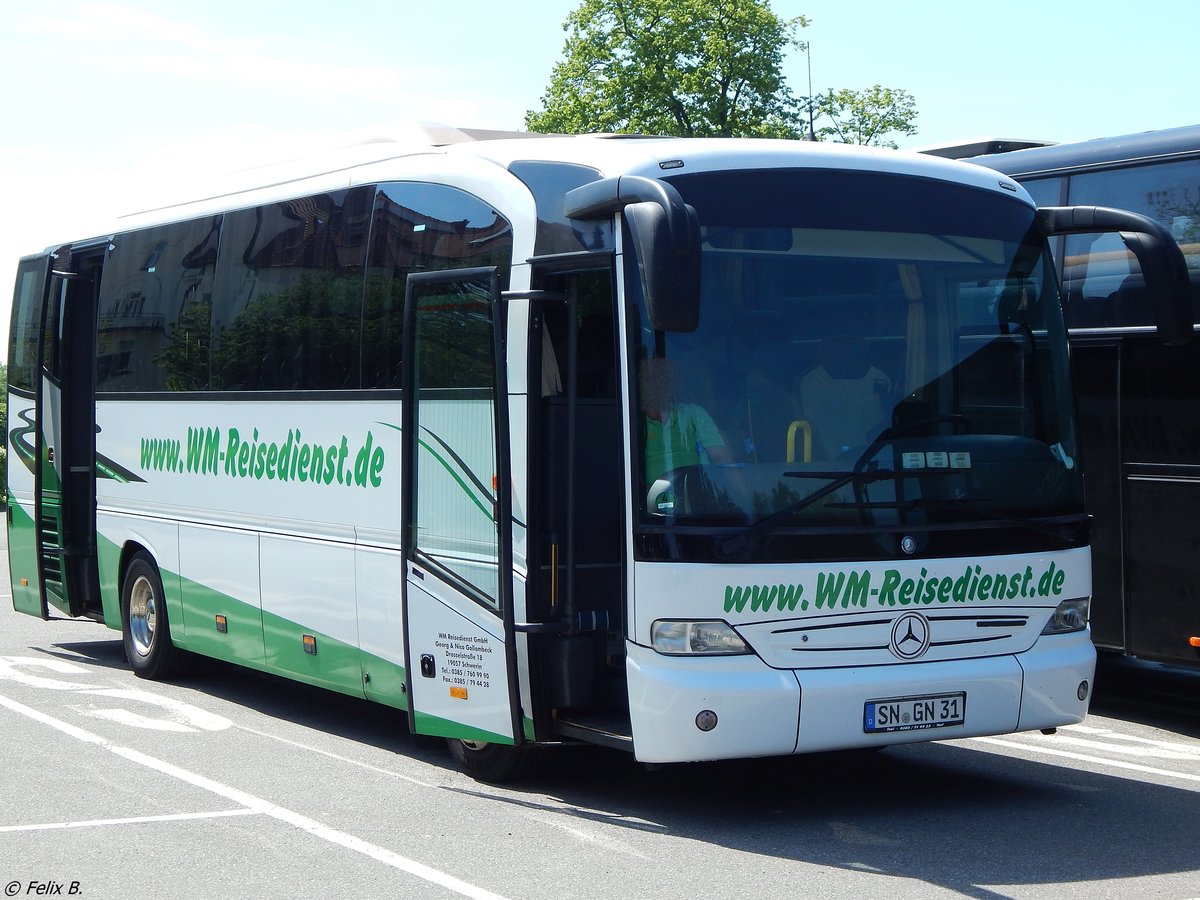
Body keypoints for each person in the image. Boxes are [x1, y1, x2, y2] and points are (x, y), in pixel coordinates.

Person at [639, 357, 732, 483]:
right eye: (653, 379)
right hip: (641, 499)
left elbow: (720, 460)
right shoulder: (633, 423)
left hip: (697, 494)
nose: (659, 384)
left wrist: (738, 491)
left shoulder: (694, 415)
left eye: (665, 378)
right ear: (642, 385)